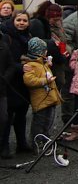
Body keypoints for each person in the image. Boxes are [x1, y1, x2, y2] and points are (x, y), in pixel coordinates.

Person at [21, 37, 61, 150]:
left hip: (49, 97)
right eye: (44, 51)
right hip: (41, 99)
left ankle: (47, 142)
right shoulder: (31, 65)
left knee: (49, 122)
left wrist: (47, 65)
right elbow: (29, 80)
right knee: (39, 123)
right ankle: (37, 143)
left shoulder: (41, 63)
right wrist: (44, 81)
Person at [2, 10, 31, 155]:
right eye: (19, 20)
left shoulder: (28, 36)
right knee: (7, 116)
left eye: (25, 21)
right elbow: (7, 61)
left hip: (24, 82)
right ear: (13, 21)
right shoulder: (7, 37)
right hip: (10, 82)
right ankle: (4, 146)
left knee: (22, 113)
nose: (21, 23)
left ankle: (22, 143)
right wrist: (20, 67)